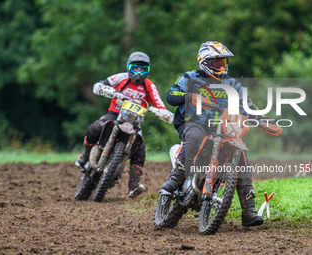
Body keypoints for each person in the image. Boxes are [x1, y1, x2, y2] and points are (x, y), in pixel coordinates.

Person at [161, 41, 281, 227]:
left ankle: (248, 210)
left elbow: (247, 105)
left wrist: (263, 119)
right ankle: (176, 176)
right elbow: (170, 96)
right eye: (217, 63)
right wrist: (188, 96)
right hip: (194, 124)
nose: (221, 67)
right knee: (194, 138)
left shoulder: (233, 84)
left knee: (241, 155)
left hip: (224, 127)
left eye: (223, 63)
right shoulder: (189, 78)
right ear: (204, 62)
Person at [76, 51, 170, 197]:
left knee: (140, 148)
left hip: (135, 121)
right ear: (128, 67)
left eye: (142, 69)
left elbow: (160, 105)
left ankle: (133, 185)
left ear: (148, 70)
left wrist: (164, 113)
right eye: (135, 68)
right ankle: (85, 156)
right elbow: (98, 86)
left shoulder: (149, 86)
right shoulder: (121, 78)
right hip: (115, 113)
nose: (138, 72)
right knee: (95, 128)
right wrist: (108, 90)